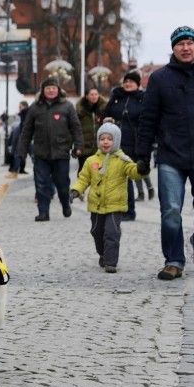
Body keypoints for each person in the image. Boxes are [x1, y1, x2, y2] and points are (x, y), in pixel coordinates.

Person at [136, 26, 194, 280]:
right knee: (170, 210)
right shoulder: (159, 79)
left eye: (190, 42)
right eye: (180, 43)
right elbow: (148, 119)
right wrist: (143, 155)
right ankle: (174, 260)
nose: (185, 48)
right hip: (171, 155)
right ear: (173, 48)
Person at [69, 119, 144, 273]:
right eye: (102, 139)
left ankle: (111, 262)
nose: (105, 142)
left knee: (111, 232)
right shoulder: (91, 161)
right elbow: (83, 179)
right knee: (96, 232)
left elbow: (134, 172)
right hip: (96, 205)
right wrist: (76, 190)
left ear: (116, 140)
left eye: (109, 139)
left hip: (115, 205)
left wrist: (142, 169)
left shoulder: (123, 160)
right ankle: (103, 253)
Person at [18, 77, 83, 222]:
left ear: (58, 90)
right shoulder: (35, 107)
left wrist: (78, 146)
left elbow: (76, 127)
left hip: (61, 152)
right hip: (41, 153)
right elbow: (27, 131)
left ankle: (65, 203)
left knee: (62, 183)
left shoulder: (67, 106)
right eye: (48, 88)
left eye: (54, 88)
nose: (51, 90)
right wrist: (22, 151)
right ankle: (43, 212)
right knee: (42, 184)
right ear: (43, 91)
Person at [101, 71, 146, 221]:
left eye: (132, 82)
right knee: (117, 177)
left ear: (137, 84)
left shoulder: (142, 99)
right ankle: (119, 208)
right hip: (115, 143)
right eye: (126, 81)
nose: (128, 84)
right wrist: (113, 98)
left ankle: (129, 211)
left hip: (133, 143)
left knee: (126, 177)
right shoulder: (117, 99)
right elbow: (105, 116)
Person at [76, 87, 107, 172]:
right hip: (84, 147)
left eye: (96, 94)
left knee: (97, 172)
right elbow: (75, 128)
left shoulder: (104, 109)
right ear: (86, 96)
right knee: (83, 171)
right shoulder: (80, 111)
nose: (94, 96)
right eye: (92, 94)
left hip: (99, 148)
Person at [6, 101, 29, 178]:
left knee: (17, 154)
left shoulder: (24, 114)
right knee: (19, 154)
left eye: (20, 106)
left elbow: (20, 125)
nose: (19, 108)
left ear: (24, 106)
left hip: (20, 135)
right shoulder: (22, 114)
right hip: (19, 135)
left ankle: (15, 171)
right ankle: (17, 170)